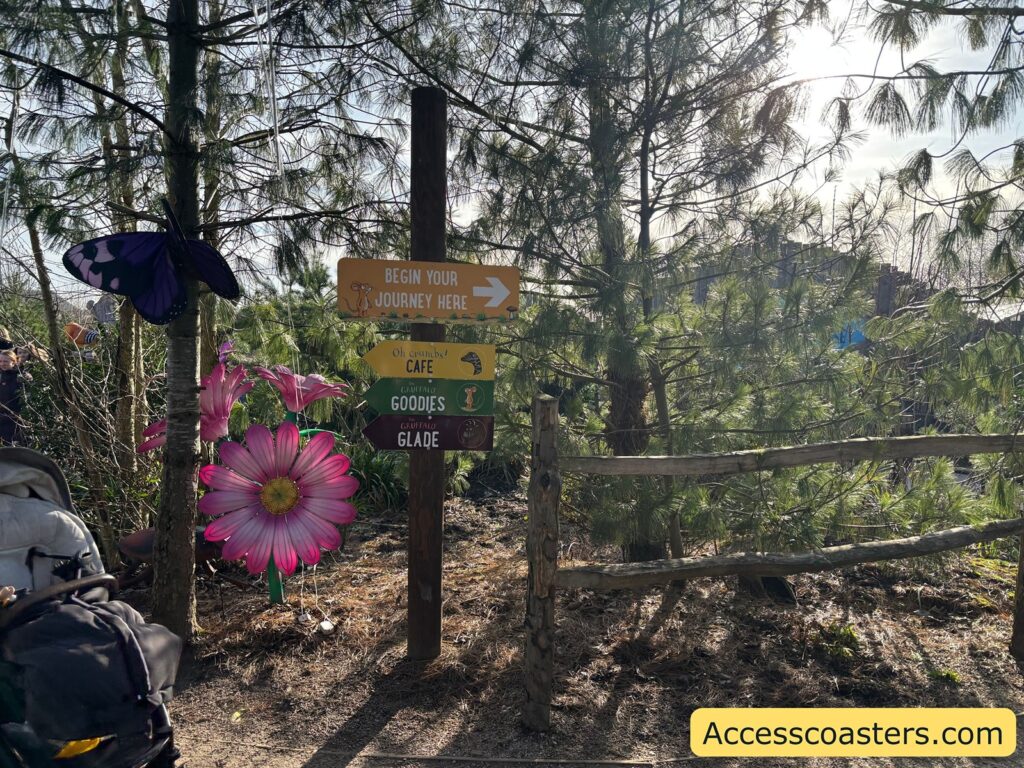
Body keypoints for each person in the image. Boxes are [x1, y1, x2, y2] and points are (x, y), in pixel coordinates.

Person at [0, 349, 29, 446]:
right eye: (0, 361)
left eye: (6, 361)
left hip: (16, 419)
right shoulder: (1, 376)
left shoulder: (22, 376)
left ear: (14, 362)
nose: (2, 364)